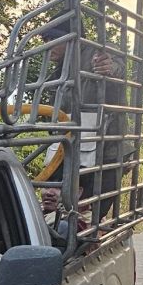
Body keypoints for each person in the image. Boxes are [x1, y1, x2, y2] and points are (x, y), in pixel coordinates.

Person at [37, 17, 126, 229]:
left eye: (52, 39)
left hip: (105, 153)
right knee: (62, 215)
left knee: (90, 217)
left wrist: (108, 65)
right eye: (45, 40)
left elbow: (115, 63)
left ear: (69, 39)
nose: (47, 45)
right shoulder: (59, 72)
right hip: (69, 152)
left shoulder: (92, 53)